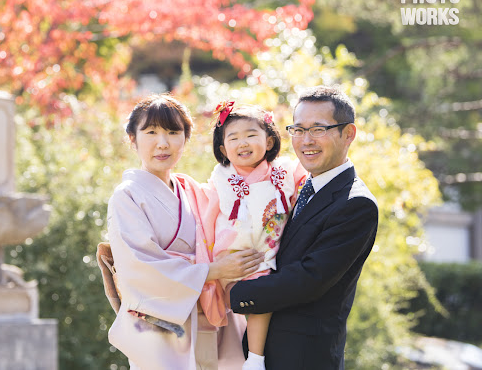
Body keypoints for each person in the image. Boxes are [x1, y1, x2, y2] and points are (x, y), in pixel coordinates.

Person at [105, 94, 265, 370]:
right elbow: (140, 268)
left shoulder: (192, 190)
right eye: (151, 132)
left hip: (209, 320)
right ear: (133, 139)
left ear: (185, 139)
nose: (163, 143)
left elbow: (233, 226)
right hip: (159, 326)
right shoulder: (127, 196)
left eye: (173, 132)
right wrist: (213, 270)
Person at [228, 86, 379, 369]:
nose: (306, 141)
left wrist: (233, 294)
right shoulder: (294, 185)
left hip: (303, 357)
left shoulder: (356, 204)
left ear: (349, 134)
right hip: (257, 354)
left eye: (318, 129)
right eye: (298, 130)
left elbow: (308, 280)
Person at [183, 103, 306, 370]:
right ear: (223, 149)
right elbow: (207, 213)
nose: (243, 143)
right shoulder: (222, 179)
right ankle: (255, 358)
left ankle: (255, 357)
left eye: (251, 135)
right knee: (252, 295)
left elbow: (304, 184)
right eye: (233, 137)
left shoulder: (284, 170)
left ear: (269, 140)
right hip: (234, 254)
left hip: (270, 253)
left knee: (261, 295)